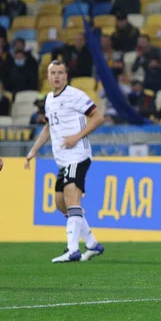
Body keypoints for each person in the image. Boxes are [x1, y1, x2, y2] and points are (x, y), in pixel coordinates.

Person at [24, 60, 105, 263]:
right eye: (53, 73)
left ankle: (72, 249)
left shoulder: (75, 95)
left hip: (78, 155)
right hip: (63, 160)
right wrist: (33, 150)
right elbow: (49, 128)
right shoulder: (50, 99)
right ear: (48, 77)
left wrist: (76, 137)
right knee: (61, 204)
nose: (57, 76)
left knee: (71, 200)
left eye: (61, 72)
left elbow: (98, 117)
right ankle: (93, 244)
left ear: (66, 76)